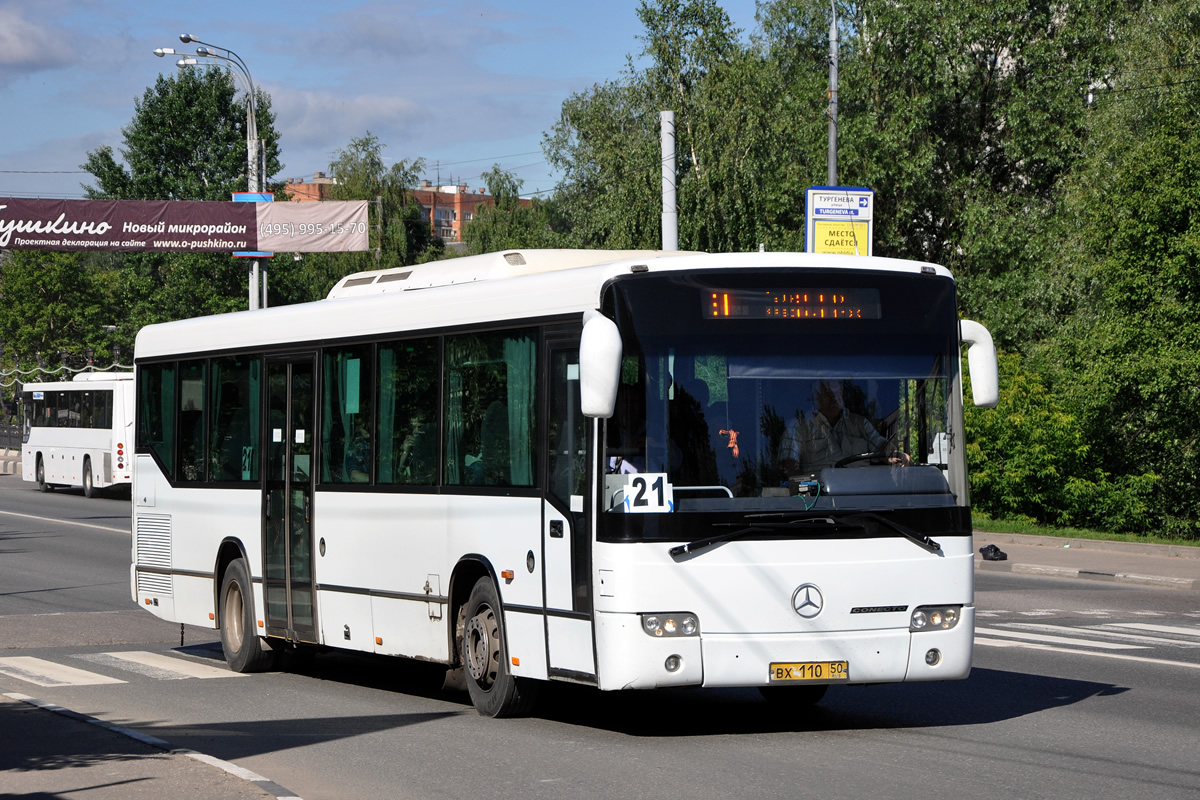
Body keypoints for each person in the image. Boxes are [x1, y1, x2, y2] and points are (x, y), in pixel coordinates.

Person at [785, 380, 906, 473]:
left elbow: (880, 446)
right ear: (817, 398)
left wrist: (894, 454)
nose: (836, 399)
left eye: (838, 393)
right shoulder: (797, 427)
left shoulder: (860, 424)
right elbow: (790, 468)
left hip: (862, 496)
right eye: (830, 395)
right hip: (817, 501)